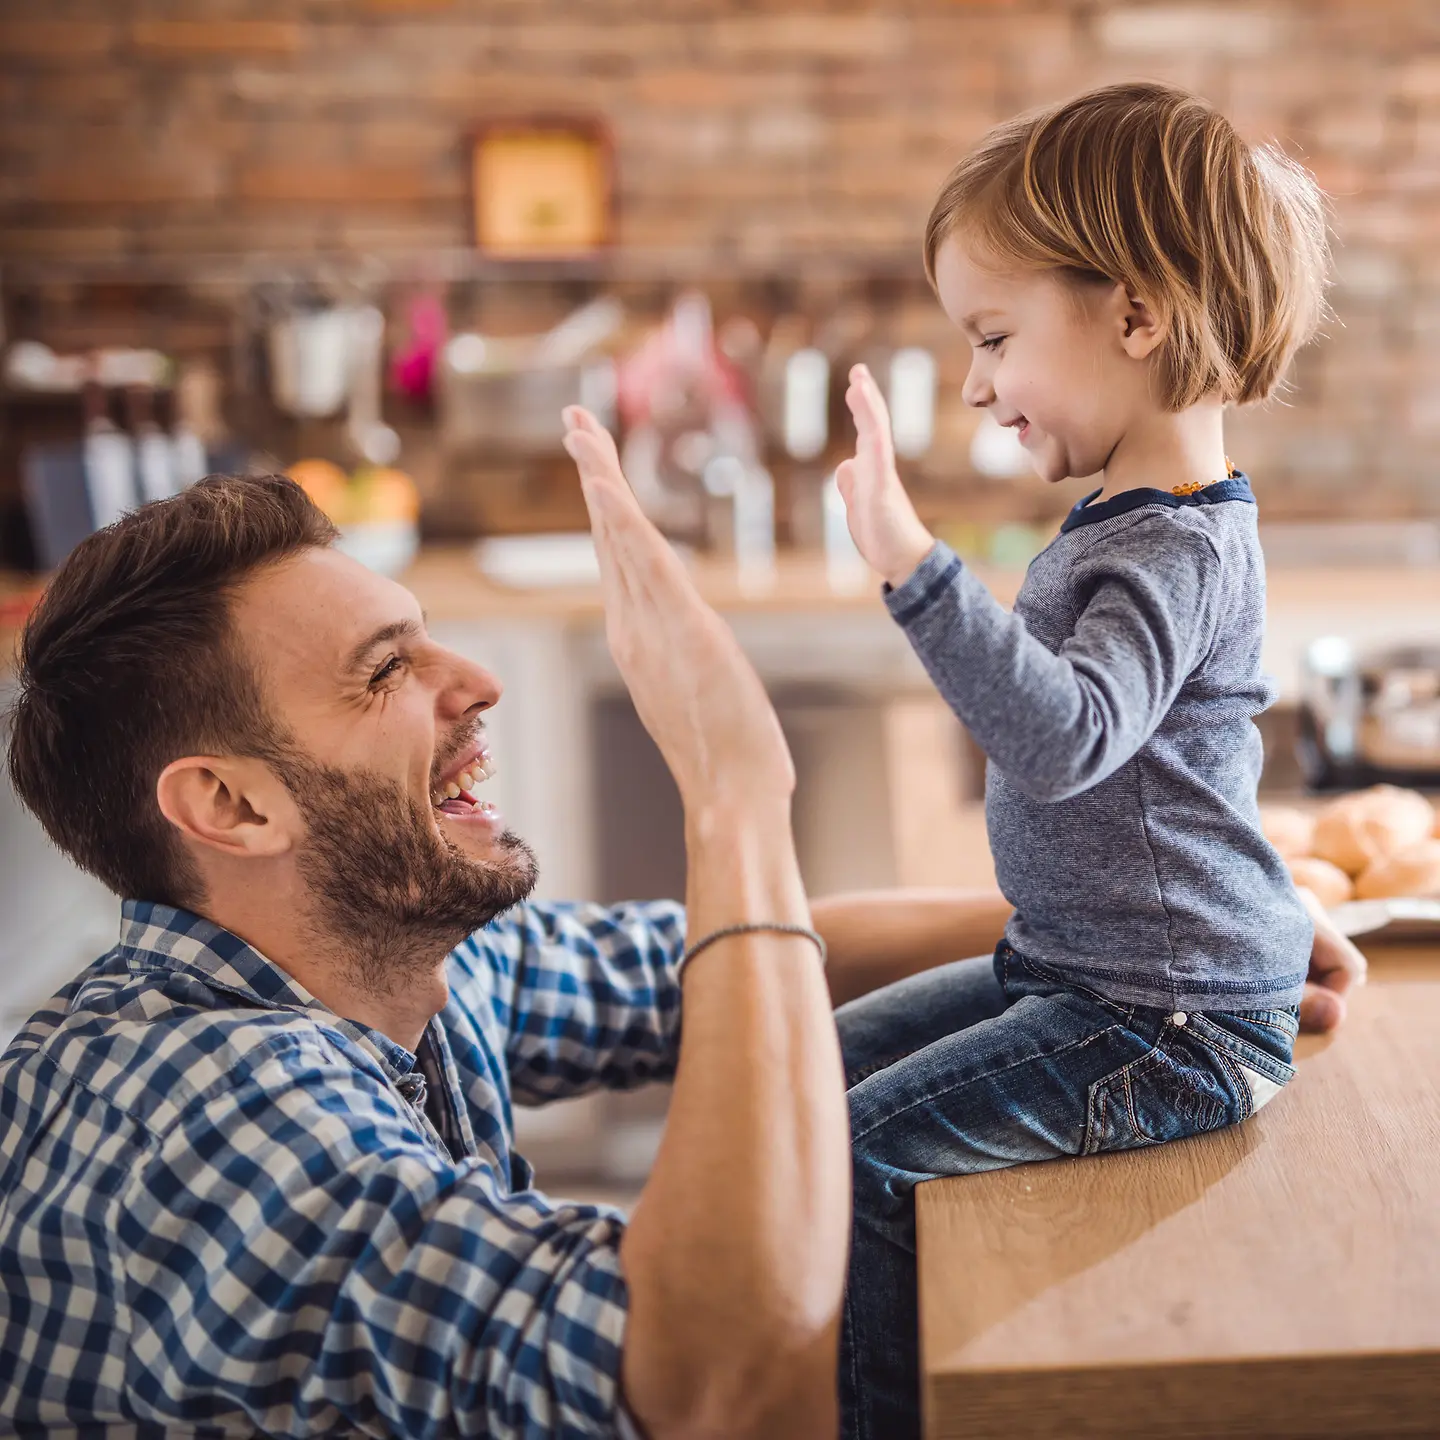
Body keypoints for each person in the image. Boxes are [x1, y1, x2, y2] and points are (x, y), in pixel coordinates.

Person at [0, 427, 1361, 1436]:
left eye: (428, 640)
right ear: (229, 805)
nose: (470, 683)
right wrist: (732, 790)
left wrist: (1174, 916)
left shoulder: (379, 959)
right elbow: (710, 1379)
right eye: (385, 674)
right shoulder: (214, 1104)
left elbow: (741, 954)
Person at [830, 79, 1339, 1437]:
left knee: (854, 1153)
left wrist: (911, 564)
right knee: (808, 1081)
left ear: (1133, 313)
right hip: (1082, 977)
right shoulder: (1133, 519)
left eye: (994, 336)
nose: (979, 381)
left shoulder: (1170, 543)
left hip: (1163, 1027)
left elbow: (1064, 739)